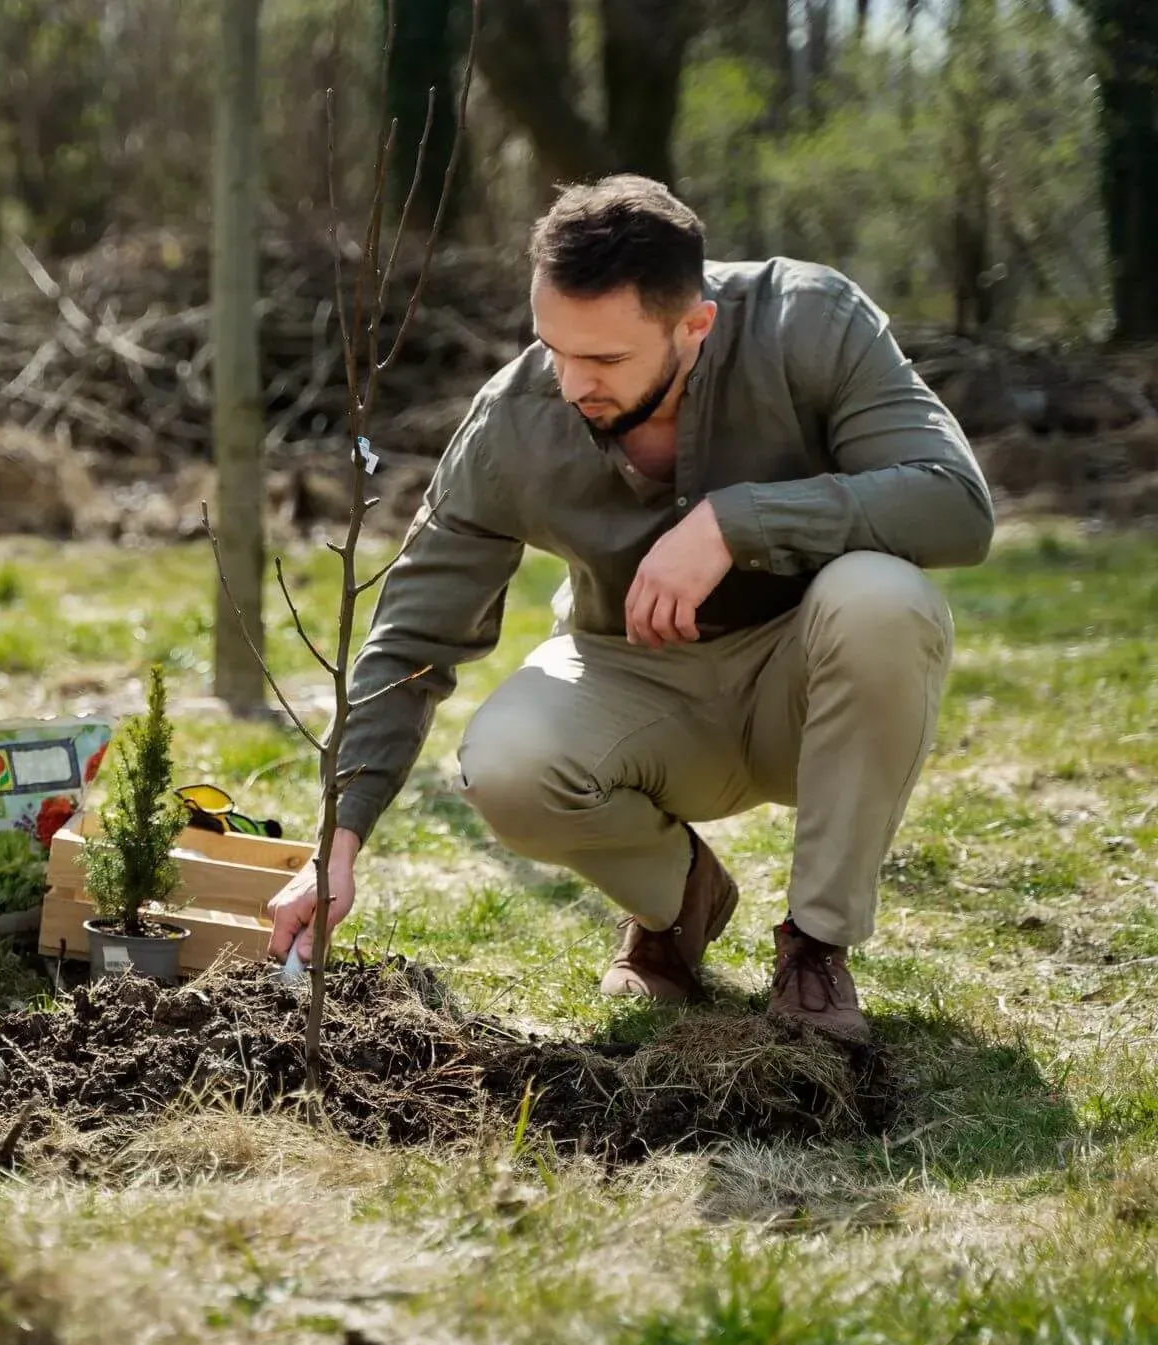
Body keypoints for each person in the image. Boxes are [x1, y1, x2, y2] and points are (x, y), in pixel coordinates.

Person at [264, 176, 995, 1041]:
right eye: (553, 349)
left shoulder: (811, 321)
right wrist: (337, 839)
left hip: (809, 686)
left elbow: (955, 504)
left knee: (886, 599)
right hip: (634, 684)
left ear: (694, 325)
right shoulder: (515, 416)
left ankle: (814, 949)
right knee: (505, 760)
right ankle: (679, 901)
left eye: (605, 360)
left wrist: (738, 521)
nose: (572, 384)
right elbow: (412, 632)